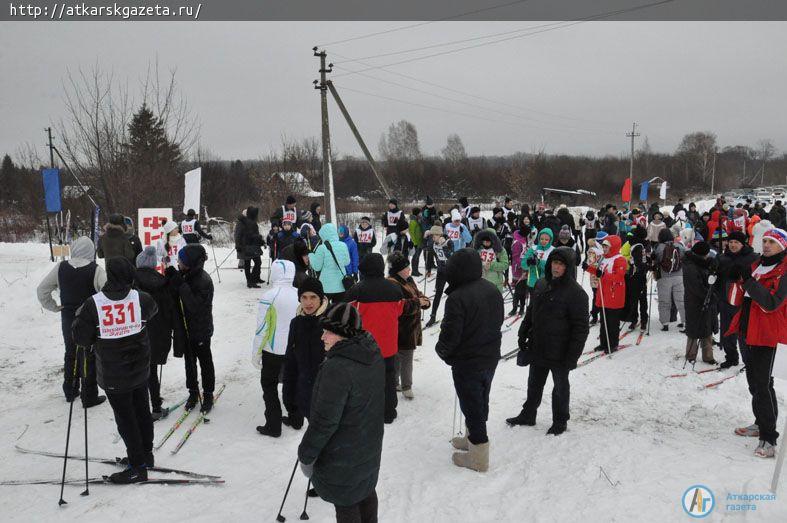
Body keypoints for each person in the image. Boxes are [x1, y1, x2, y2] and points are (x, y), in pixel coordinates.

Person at [72, 257, 158, 483]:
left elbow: (80, 337)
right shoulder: (140, 298)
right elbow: (152, 310)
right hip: (139, 368)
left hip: (114, 375)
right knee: (141, 411)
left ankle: (138, 465)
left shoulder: (94, 303)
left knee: (126, 419)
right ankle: (145, 455)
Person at [298, 303, 384, 522]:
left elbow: (325, 422)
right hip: (367, 448)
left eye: (329, 332)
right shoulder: (371, 353)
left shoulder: (337, 368)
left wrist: (306, 455)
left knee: (346, 503)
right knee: (364, 492)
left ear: (344, 335)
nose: (322, 337)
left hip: (342, 455)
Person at [507, 247, 589, 435]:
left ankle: (560, 421)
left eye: (561, 264)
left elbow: (580, 328)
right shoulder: (542, 284)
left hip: (561, 350)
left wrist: (572, 356)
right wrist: (523, 331)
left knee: (560, 387)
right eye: (554, 263)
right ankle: (528, 414)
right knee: (534, 383)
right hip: (539, 343)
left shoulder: (576, 294)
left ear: (568, 268)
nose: (556, 267)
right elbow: (532, 310)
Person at [436, 248, 504, 472]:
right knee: (479, 399)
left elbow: (450, 334)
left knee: (471, 403)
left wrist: (443, 352)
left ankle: (478, 457)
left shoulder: (457, 298)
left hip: (468, 361)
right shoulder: (492, 289)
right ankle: (471, 437)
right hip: (490, 356)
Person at [727, 228, 787, 458]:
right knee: (753, 382)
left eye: (772, 241)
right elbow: (737, 300)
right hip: (746, 330)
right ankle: (760, 423)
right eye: (764, 241)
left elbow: (772, 303)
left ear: (782, 245)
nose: (767, 245)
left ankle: (769, 438)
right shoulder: (757, 266)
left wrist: (749, 281)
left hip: (767, 334)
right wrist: (734, 280)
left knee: (763, 384)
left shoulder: (783, 270)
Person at [36, 236, 107, 406]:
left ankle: (70, 389)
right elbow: (107, 291)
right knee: (88, 354)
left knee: (70, 351)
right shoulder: (95, 270)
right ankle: (89, 395)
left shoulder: (61, 267)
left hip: (67, 317)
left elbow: (42, 290)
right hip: (88, 318)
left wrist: (53, 306)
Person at [346, 253, 404, 423]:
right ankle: (389, 412)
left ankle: (366, 411)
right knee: (388, 377)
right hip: (388, 344)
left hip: (365, 345)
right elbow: (399, 311)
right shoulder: (395, 289)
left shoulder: (357, 289)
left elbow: (348, 313)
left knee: (364, 379)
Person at [253, 259, 300, 437]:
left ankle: (273, 425)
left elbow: (262, 328)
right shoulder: (299, 294)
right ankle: (296, 418)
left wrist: (256, 352)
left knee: (269, 386)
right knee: (292, 383)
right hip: (293, 349)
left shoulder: (269, 296)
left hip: (272, 350)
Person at [134, 246, 182, 420]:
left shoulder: (129, 282)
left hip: (134, 332)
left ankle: (140, 407)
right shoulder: (163, 283)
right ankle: (155, 406)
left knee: (137, 369)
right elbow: (170, 310)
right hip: (158, 333)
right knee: (151, 369)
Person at [167, 244, 215, 413]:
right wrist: (171, 279)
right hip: (185, 330)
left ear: (191, 262)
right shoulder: (185, 275)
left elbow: (195, 305)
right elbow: (174, 295)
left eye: (181, 260)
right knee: (189, 363)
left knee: (205, 362)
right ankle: (193, 391)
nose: (178, 262)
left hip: (200, 330)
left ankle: (208, 393)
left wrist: (181, 285)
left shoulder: (204, 281)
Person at [282, 277, 329, 429]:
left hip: (328, 397)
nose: (308, 303)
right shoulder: (296, 323)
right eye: (304, 297)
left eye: (313, 297)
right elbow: (290, 361)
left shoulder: (332, 322)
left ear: (321, 298)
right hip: (305, 394)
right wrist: (289, 394)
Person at [387, 252, 430, 400]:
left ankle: (396, 383)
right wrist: (419, 302)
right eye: (406, 268)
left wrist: (424, 300)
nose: (409, 270)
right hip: (401, 328)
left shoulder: (408, 280)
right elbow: (401, 307)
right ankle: (406, 386)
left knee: (401, 357)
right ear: (399, 270)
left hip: (410, 328)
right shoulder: (392, 284)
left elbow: (418, 294)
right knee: (404, 358)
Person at [716, 230, 759, 368]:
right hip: (725, 300)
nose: (733, 245)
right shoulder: (722, 257)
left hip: (744, 302)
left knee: (744, 335)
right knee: (727, 332)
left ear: (743, 244)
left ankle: (749, 362)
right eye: (731, 242)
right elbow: (718, 279)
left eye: (736, 242)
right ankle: (731, 357)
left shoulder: (752, 258)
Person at [586, 235, 626, 353]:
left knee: (612, 322)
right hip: (603, 293)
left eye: (606, 246)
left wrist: (603, 275)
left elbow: (618, 277)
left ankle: (613, 344)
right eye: (603, 246)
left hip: (614, 295)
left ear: (613, 247)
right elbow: (598, 272)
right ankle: (604, 343)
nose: (604, 248)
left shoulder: (620, 259)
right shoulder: (603, 258)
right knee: (603, 321)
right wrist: (588, 268)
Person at [682, 241, 718, 365]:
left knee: (707, 328)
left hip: (706, 300)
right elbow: (696, 287)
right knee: (694, 328)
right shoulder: (690, 266)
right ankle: (691, 354)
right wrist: (709, 296)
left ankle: (708, 356)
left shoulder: (703, 263)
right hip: (694, 301)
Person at [652, 228, 687, 331]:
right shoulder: (679, 246)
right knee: (681, 300)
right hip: (679, 276)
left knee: (664, 301)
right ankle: (686, 322)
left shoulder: (658, 247)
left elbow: (656, 260)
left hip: (664, 277)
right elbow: (685, 257)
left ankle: (665, 323)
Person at [309, 223, 352, 303]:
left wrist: (311, 255)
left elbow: (317, 267)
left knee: (324, 309)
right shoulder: (343, 245)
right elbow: (347, 262)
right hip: (341, 285)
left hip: (326, 286)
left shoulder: (322, 248)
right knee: (338, 310)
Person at [424, 225, 454, 328]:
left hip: (450, 271)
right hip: (441, 271)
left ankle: (452, 315)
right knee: (438, 294)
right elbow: (430, 254)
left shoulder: (449, 242)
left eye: (434, 235)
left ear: (439, 234)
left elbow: (450, 256)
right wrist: (428, 268)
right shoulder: (433, 243)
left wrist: (443, 245)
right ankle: (433, 316)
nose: (433, 238)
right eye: (432, 236)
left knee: (453, 294)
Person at [623, 227, 649, 331]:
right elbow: (638, 262)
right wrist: (647, 266)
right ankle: (642, 321)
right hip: (638, 276)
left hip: (633, 276)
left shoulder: (634, 243)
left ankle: (634, 320)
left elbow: (640, 259)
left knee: (633, 299)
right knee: (641, 299)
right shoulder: (638, 246)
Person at [234, 206, 265, 288]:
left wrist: (261, 242)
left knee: (258, 262)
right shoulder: (241, 223)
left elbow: (256, 234)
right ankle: (250, 281)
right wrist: (238, 245)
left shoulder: (252, 222)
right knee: (247, 264)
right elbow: (237, 235)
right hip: (245, 246)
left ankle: (255, 278)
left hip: (253, 245)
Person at [509, 218, 533, 316]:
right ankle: (514, 308)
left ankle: (522, 308)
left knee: (523, 291)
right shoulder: (517, 243)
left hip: (525, 269)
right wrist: (523, 266)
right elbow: (515, 258)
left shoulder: (525, 240)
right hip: (518, 270)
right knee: (518, 291)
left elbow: (526, 253)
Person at [474, 228, 509, 292]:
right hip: (480, 282)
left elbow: (505, 265)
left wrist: (491, 265)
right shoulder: (477, 250)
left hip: (495, 283)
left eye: (489, 240)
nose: (486, 242)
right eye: (485, 240)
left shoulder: (500, 250)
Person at [522, 228, 554, 295]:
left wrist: (539, 263)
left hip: (546, 284)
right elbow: (523, 265)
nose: (543, 241)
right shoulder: (533, 249)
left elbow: (552, 268)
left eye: (546, 239)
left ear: (550, 240)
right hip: (533, 283)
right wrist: (529, 262)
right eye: (541, 239)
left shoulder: (553, 251)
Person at [409, 207, 425, 277]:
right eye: (420, 213)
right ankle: (414, 271)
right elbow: (411, 233)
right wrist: (415, 243)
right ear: (417, 213)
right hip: (416, 243)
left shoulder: (418, 220)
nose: (421, 214)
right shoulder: (413, 221)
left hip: (420, 242)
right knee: (415, 257)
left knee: (417, 257)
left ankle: (416, 270)